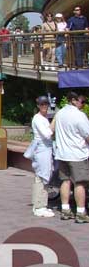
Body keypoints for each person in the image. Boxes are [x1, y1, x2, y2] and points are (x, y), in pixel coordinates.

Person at [53, 91, 89, 223]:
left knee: (65, 181)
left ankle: (65, 210)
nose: (83, 105)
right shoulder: (79, 116)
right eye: (82, 101)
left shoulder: (60, 113)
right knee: (80, 183)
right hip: (77, 154)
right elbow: (87, 134)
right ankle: (80, 213)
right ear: (74, 100)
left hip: (62, 154)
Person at [29, 96, 55, 217]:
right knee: (41, 177)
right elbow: (46, 134)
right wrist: (54, 123)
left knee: (43, 177)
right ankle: (39, 206)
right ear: (38, 105)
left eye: (46, 104)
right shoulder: (38, 119)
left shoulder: (43, 118)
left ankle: (40, 204)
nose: (45, 106)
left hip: (45, 149)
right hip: (42, 150)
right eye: (42, 104)